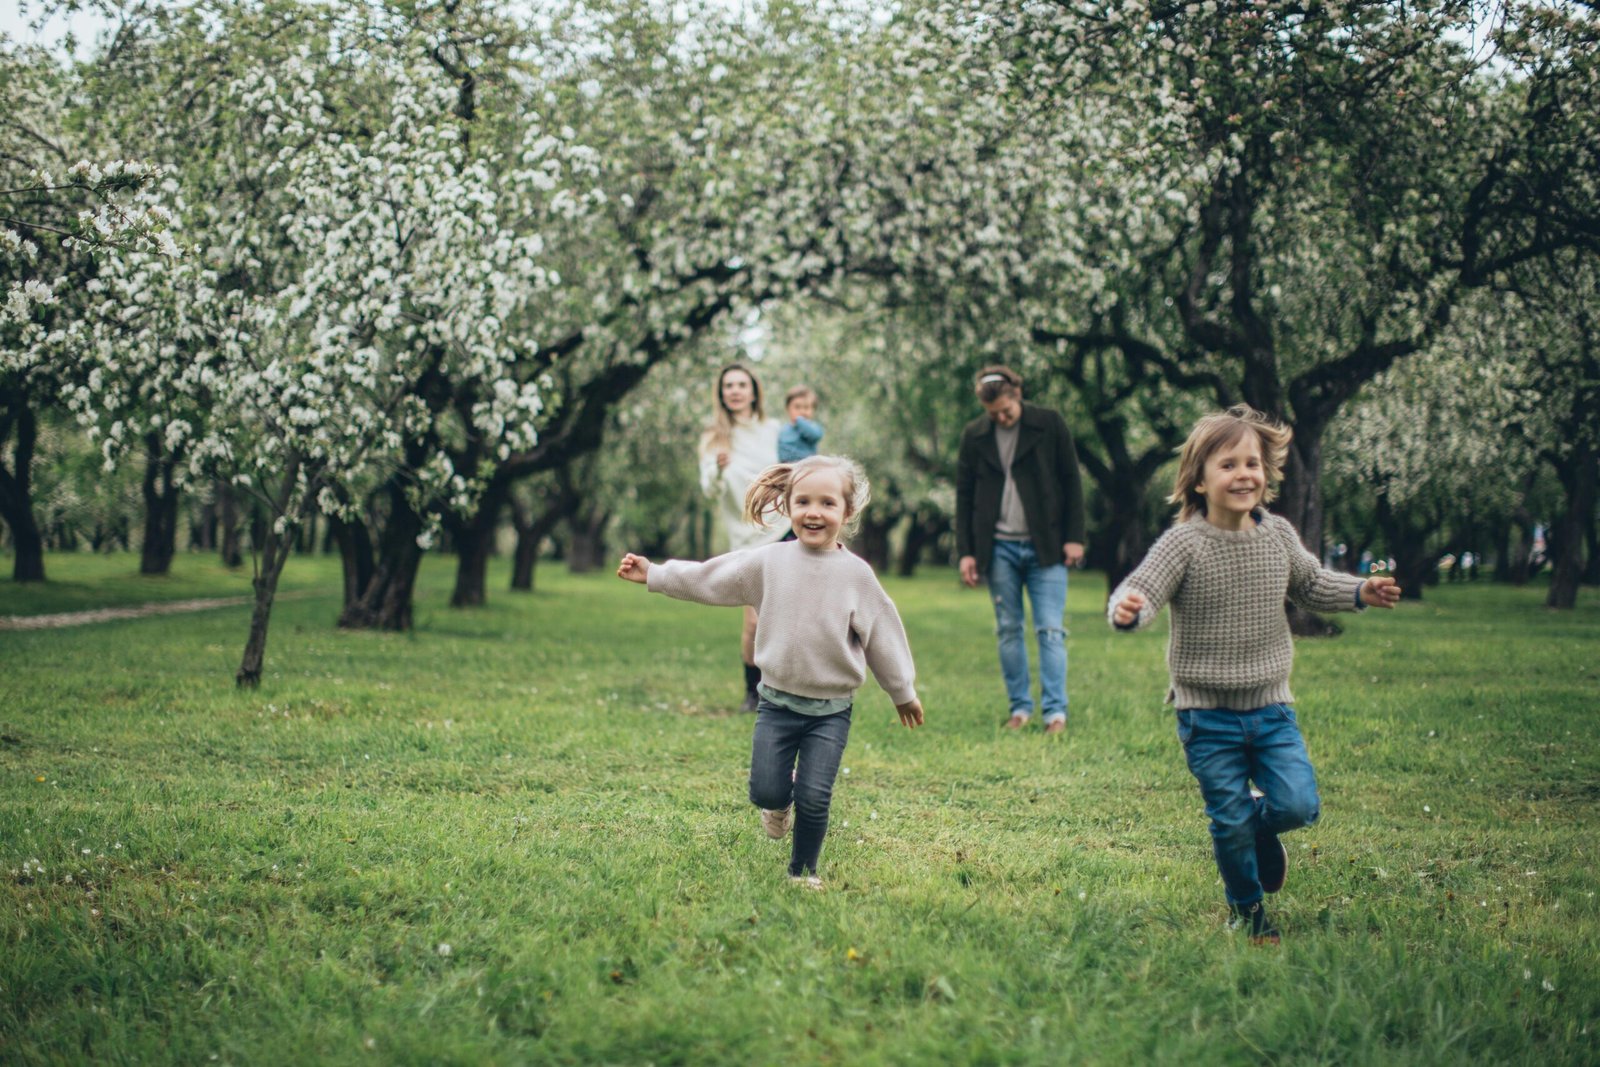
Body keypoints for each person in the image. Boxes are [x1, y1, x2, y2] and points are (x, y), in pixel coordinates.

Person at [1107, 404, 1402, 944]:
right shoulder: (1184, 544)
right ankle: (1248, 911)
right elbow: (1143, 589)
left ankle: (1263, 834)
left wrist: (1360, 590)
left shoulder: (1279, 537)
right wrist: (1129, 609)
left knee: (1298, 804)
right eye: (1228, 465)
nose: (1244, 474)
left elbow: (1312, 585)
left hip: (1270, 708)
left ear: (1266, 473)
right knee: (1228, 819)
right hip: (1205, 715)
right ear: (1199, 479)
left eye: (1253, 463)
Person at [617, 455, 925, 889]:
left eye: (827, 503)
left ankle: (803, 872)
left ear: (847, 512)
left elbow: (884, 636)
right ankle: (777, 802)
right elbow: (711, 578)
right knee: (765, 790)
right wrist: (655, 574)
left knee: (815, 797)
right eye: (803, 502)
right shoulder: (769, 563)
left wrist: (902, 691)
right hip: (776, 705)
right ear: (787, 506)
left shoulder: (857, 576)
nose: (814, 512)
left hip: (830, 712)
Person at [955, 365, 1086, 734]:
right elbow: (964, 495)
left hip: (1047, 545)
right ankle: (1020, 708)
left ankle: (1055, 713)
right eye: (992, 413)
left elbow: (1071, 480)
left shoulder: (1049, 423)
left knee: (1049, 629)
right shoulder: (976, 435)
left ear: (1017, 394)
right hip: (998, 549)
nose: (1000, 417)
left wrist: (1075, 536)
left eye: (1005, 410)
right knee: (1009, 629)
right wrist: (966, 551)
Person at [699, 363, 784, 711]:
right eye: (728, 386)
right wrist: (718, 469)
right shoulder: (714, 438)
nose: (735, 391)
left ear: (753, 391)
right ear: (721, 394)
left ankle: (786, 690)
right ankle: (754, 692)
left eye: (741, 385)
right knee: (754, 620)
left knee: (786, 615)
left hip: (786, 529)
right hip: (748, 538)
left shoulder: (774, 429)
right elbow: (708, 490)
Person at [778, 385, 825, 463]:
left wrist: (800, 421)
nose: (802, 411)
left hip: (807, 468)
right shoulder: (783, 429)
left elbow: (815, 435)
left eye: (806, 407)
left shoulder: (813, 427)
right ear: (788, 409)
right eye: (797, 407)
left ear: (813, 410)